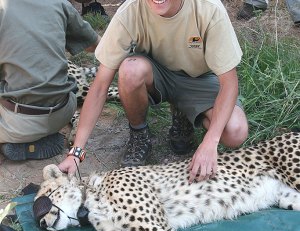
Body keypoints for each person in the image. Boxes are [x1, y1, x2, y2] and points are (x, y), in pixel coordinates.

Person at [59, 0, 249, 182]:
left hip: (199, 78)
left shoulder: (209, 9)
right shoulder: (130, 11)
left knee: (235, 132)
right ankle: (140, 135)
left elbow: (229, 83)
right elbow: (100, 85)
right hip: (155, 74)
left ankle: (183, 114)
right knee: (129, 70)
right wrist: (76, 152)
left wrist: (210, 142)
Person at [0, 0, 100, 161]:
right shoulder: (59, 3)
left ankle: (24, 143)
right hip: (63, 112)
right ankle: (38, 139)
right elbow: (94, 45)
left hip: (19, 122)